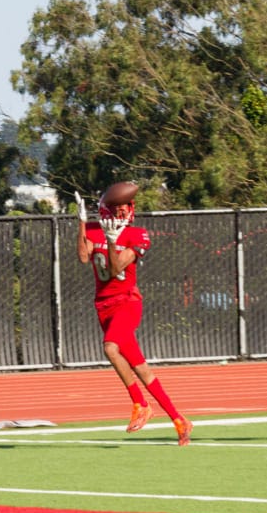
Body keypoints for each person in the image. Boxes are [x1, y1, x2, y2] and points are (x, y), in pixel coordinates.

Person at [74, 188, 193, 446]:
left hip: (127, 302)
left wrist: (112, 241)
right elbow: (83, 257)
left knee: (110, 347)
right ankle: (179, 420)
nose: (123, 212)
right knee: (141, 368)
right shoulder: (94, 229)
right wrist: (82, 223)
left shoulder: (137, 234)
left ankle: (140, 403)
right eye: (118, 208)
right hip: (103, 306)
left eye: (125, 207)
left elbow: (116, 267)